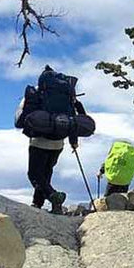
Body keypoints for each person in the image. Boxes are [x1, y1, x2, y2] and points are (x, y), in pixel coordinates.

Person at [15, 66, 87, 213]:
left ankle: (53, 196)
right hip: (59, 142)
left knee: (35, 175)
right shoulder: (67, 97)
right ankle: (38, 203)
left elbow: (22, 115)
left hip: (39, 140)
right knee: (46, 174)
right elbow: (72, 119)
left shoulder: (37, 93)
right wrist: (73, 141)